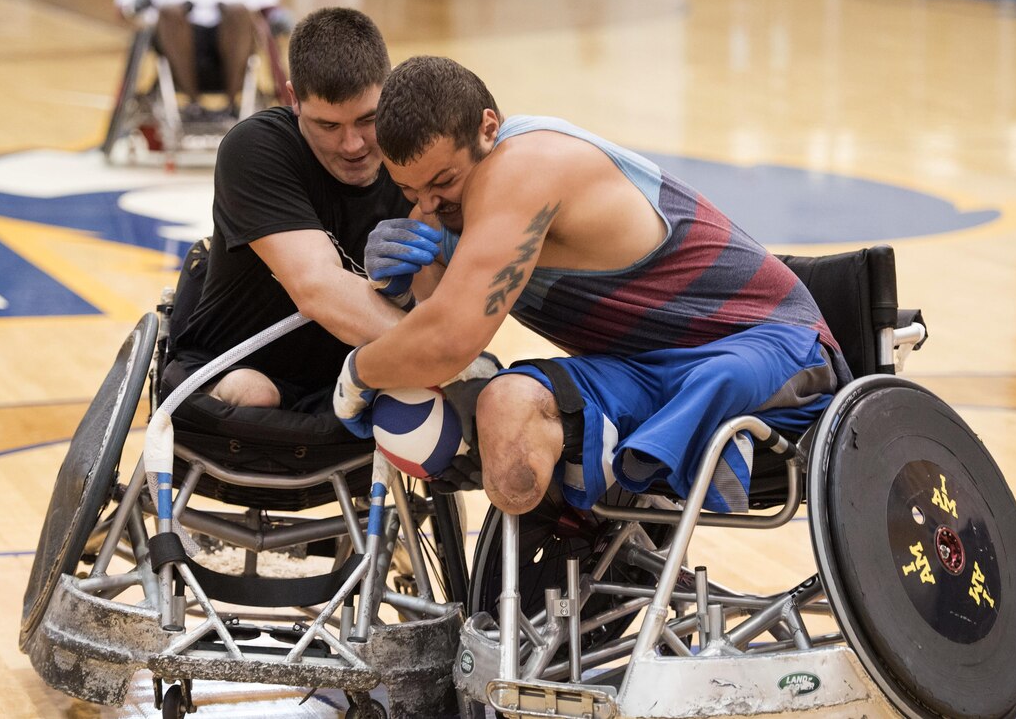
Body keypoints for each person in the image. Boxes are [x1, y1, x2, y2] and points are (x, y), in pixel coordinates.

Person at [334, 55, 852, 516]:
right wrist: (399, 289)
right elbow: (432, 327)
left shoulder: (523, 165)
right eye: (407, 188)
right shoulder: (443, 207)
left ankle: (622, 501)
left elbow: (447, 342)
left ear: (488, 129)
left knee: (715, 382)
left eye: (443, 182)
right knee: (507, 408)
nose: (426, 205)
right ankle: (546, 597)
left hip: (768, 346)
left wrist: (359, 374)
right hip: (642, 368)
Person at [162, 7, 415, 413]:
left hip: (357, 378)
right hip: (233, 366)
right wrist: (443, 356)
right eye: (328, 126)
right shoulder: (255, 148)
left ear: (389, 91)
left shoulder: (416, 156)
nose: (352, 145)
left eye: (368, 119)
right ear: (294, 98)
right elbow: (318, 289)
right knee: (253, 392)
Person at [115, 0, 290, 119]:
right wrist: (134, 5)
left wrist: (278, 16)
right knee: (170, 12)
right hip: (177, 42)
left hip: (232, 42)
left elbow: (268, 6)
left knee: (238, 11)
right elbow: (124, 7)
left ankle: (231, 104)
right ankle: (193, 102)